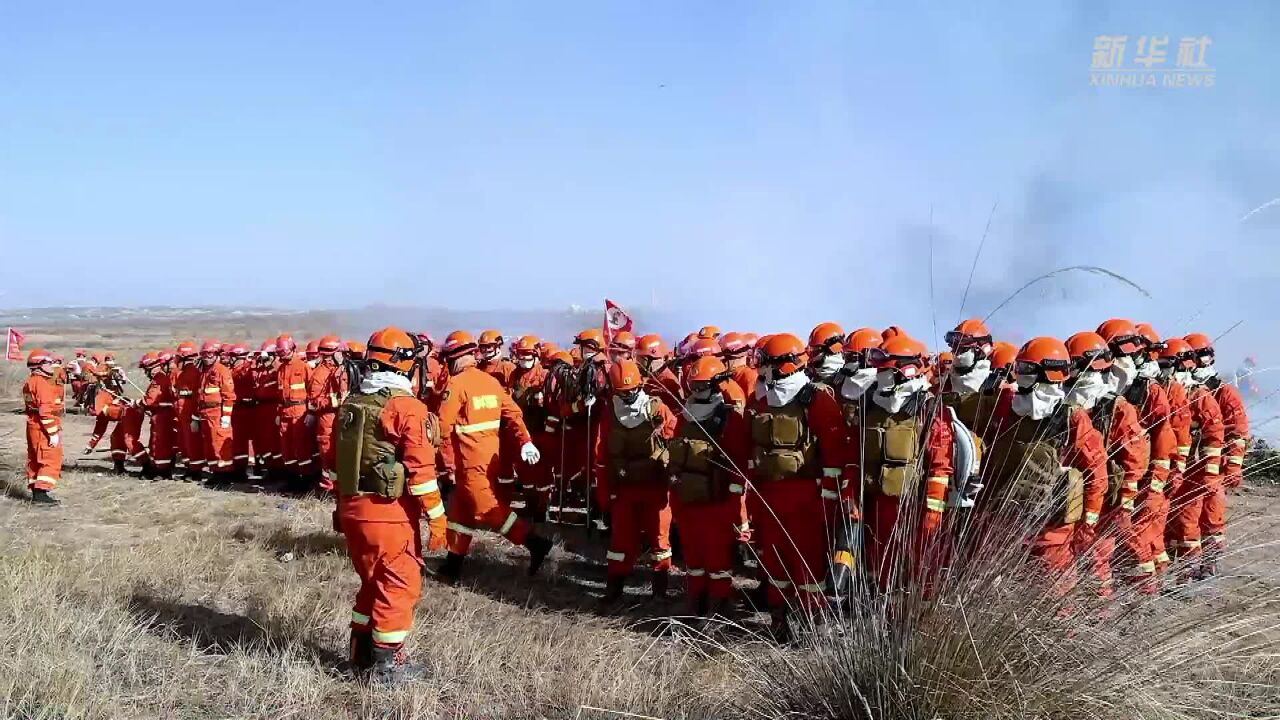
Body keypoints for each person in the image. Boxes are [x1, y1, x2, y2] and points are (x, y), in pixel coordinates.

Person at [333, 327, 449, 681]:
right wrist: (439, 519)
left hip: (353, 508)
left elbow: (333, 457)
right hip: (388, 514)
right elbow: (422, 472)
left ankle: (360, 655)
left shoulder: (352, 403)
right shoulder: (406, 408)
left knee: (372, 582)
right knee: (400, 583)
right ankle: (386, 667)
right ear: (403, 364)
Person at [983, 337, 1108, 596]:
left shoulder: (1073, 418)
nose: (1021, 379)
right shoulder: (1006, 407)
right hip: (1007, 520)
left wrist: (1088, 524)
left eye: (1027, 371)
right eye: (1019, 371)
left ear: (1049, 374)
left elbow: (1097, 472)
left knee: (1055, 594)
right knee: (1001, 590)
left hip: (1052, 529)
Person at [746, 334, 846, 637]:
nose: (759, 369)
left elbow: (834, 450)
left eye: (764, 362)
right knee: (774, 558)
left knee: (808, 559)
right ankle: (779, 617)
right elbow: (750, 446)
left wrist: (828, 497)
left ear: (782, 365)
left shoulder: (817, 398)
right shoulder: (760, 396)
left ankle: (811, 618)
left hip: (806, 494)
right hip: (770, 492)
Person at [434, 331, 553, 583]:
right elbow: (513, 413)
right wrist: (525, 441)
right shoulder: (490, 382)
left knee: (487, 510)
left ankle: (534, 542)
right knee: (460, 514)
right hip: (490, 459)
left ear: (454, 358)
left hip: (469, 462)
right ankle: (452, 565)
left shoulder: (456, 385)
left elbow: (441, 428)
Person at [850, 335, 954, 591]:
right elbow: (854, 455)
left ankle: (918, 615)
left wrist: (932, 514)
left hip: (912, 507)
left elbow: (940, 467)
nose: (881, 376)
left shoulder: (929, 410)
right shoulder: (869, 405)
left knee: (920, 566)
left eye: (887, 370)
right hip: (876, 503)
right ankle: (878, 607)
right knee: (877, 562)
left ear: (905, 372)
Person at [1064, 331, 1149, 596]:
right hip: (1080, 491)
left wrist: (1125, 501)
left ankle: (1126, 596)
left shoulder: (1117, 408)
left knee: (1099, 549)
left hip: (1108, 494)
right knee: (1082, 550)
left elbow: (1134, 458)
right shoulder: (1072, 406)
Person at [669, 356, 751, 618]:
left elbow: (739, 464)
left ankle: (719, 603)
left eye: (701, 386)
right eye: (693, 386)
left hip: (718, 501)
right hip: (689, 500)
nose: (696, 391)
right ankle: (695, 601)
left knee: (717, 558)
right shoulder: (685, 417)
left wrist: (735, 507)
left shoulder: (730, 420)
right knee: (693, 556)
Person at [597, 359, 679, 606]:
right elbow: (601, 455)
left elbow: (675, 441)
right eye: (623, 392)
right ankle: (614, 588)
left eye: (632, 390)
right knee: (620, 541)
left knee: (660, 541)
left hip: (655, 488)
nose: (629, 396)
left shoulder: (658, 409)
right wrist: (603, 492)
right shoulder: (610, 412)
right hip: (625, 488)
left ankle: (660, 591)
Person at [508, 336, 553, 520]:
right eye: (521, 356)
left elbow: (553, 404)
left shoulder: (545, 375)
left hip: (540, 429)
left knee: (541, 471)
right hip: (522, 428)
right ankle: (530, 504)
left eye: (528, 356)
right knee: (524, 469)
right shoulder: (514, 375)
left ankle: (543, 508)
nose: (524, 360)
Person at [23, 348, 65, 505]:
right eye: (48, 362)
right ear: (39, 365)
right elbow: (45, 411)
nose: (52, 365)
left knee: (35, 459)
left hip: (33, 425)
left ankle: (36, 491)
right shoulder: (41, 384)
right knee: (50, 458)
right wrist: (53, 433)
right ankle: (41, 494)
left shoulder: (30, 381)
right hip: (42, 427)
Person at [277, 334, 316, 491]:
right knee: (287, 447)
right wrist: (278, 414)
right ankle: (291, 480)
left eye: (284, 352)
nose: (282, 355)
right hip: (285, 412)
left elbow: (313, 391)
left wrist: (311, 413)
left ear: (292, 349)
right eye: (279, 353)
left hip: (300, 411)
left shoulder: (303, 367)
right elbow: (279, 395)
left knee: (302, 446)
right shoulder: (280, 369)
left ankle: (305, 481)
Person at [310, 335, 350, 491]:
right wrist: (335, 401)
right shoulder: (319, 374)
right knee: (329, 454)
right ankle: (329, 488)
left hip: (344, 417)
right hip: (328, 418)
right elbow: (314, 401)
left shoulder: (344, 370)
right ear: (333, 353)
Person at [197, 340, 238, 487]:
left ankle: (225, 475)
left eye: (210, 354)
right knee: (209, 445)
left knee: (220, 444)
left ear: (216, 354)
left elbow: (229, 395)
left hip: (217, 413)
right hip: (205, 412)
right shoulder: (204, 372)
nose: (207, 357)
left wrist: (226, 416)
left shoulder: (222, 371)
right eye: (204, 354)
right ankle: (216, 472)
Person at [138, 351, 177, 480]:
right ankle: (158, 469)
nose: (145, 372)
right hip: (161, 414)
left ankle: (162, 472)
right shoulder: (162, 377)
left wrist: (138, 403)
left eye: (145, 369)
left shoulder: (158, 379)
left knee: (160, 443)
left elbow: (150, 400)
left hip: (162, 416)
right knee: (157, 443)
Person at [173, 341, 205, 480]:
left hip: (189, 411)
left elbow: (197, 395)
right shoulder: (183, 372)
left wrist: (195, 416)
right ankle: (190, 469)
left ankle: (196, 471)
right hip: (182, 412)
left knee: (193, 443)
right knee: (184, 442)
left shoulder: (194, 372)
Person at [226, 344, 256, 481]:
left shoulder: (248, 370)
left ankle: (249, 467)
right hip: (238, 408)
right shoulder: (235, 370)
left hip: (249, 408)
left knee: (249, 439)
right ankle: (240, 468)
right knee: (238, 440)